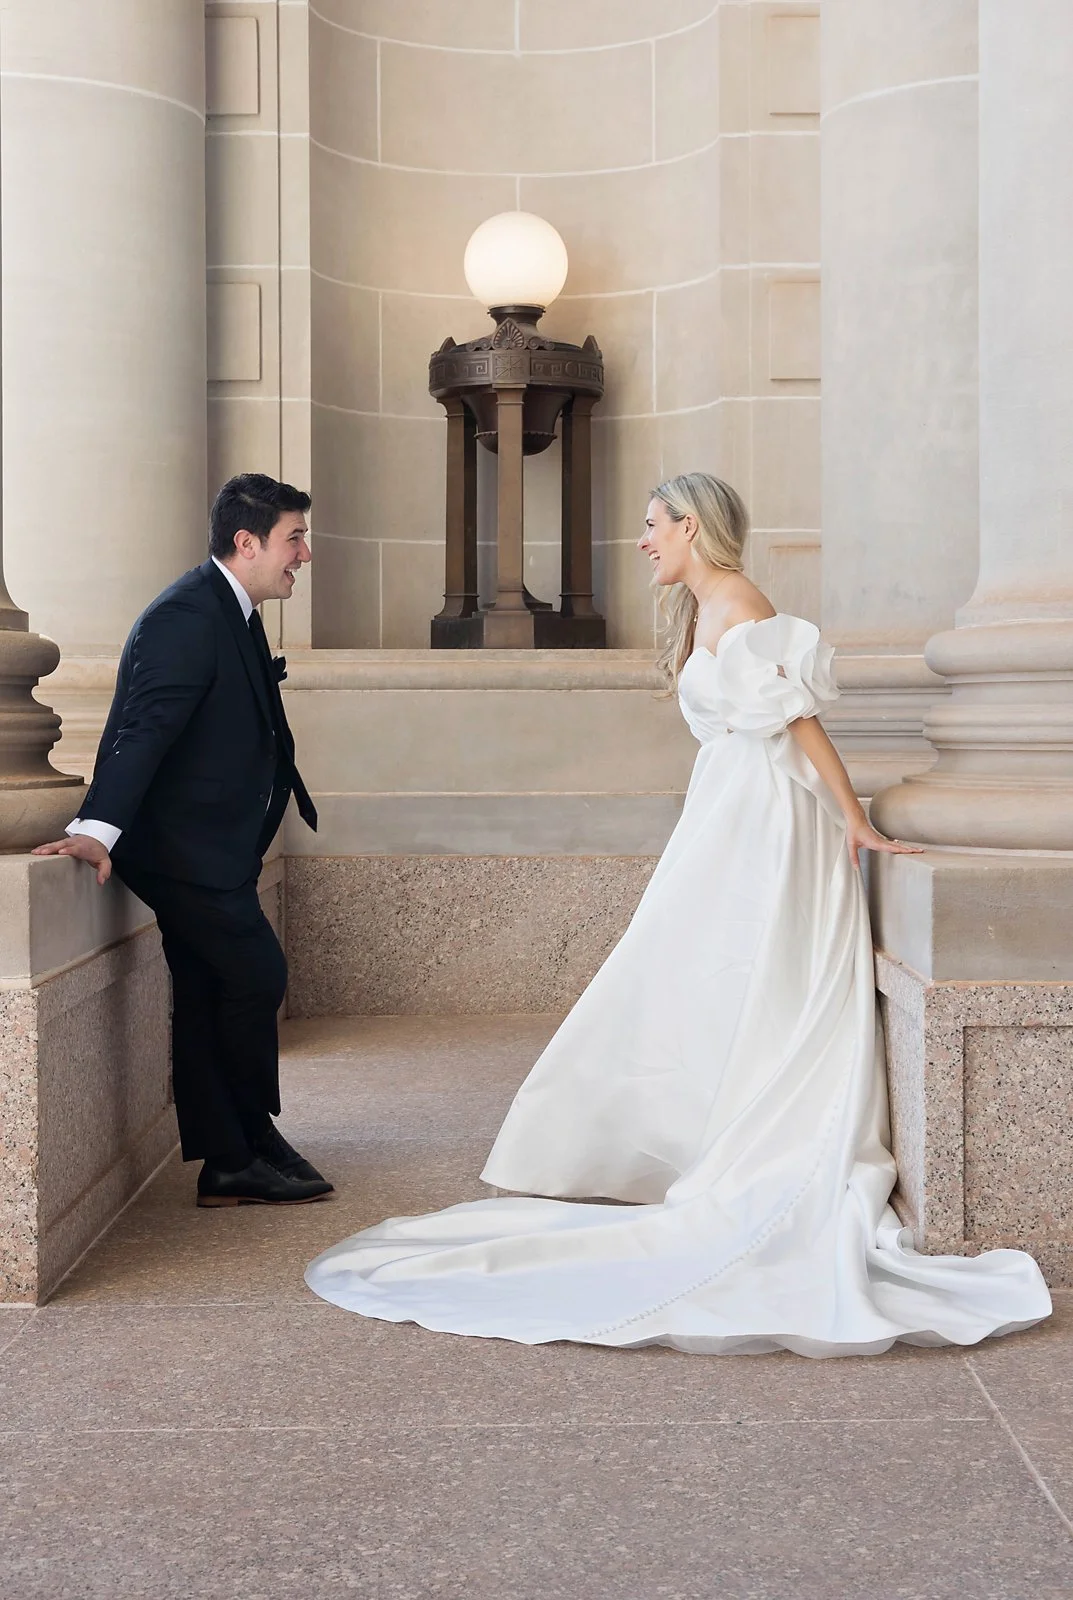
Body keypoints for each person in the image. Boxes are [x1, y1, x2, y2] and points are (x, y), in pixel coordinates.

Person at [305, 472, 1050, 1355]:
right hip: (727, 812)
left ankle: (758, 1145)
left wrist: (855, 823)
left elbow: (800, 722)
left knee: (753, 966)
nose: (643, 541)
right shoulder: (703, 609)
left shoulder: (739, 600)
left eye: (653, 526)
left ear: (690, 526)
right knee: (694, 968)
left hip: (772, 818)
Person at [33, 473, 333, 1209]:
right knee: (256, 975)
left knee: (205, 991)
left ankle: (230, 1158)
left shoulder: (229, 608)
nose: (305, 553)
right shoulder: (187, 616)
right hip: (179, 852)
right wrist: (97, 829)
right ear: (247, 541)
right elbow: (145, 729)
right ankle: (251, 1136)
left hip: (210, 847)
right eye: (294, 538)